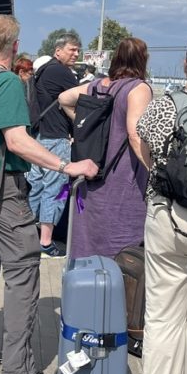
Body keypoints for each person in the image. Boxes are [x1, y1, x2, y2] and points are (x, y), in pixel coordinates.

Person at [0, 14, 98, 374]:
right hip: (3, 191)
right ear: (15, 46)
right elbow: (17, 141)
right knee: (23, 270)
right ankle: (18, 368)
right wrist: (66, 166)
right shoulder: (6, 83)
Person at [134, 35, 187, 374]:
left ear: (185, 67)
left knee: (161, 315)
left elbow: (144, 147)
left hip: (169, 218)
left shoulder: (165, 105)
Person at [57, 38, 152, 258]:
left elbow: (63, 98)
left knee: (88, 236)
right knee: (122, 243)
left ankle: (86, 276)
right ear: (142, 60)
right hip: (123, 178)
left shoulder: (97, 86)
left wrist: (83, 126)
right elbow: (134, 135)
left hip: (93, 171)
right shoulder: (138, 88)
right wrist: (154, 169)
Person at [27, 34, 80, 257]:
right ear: (58, 51)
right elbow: (82, 99)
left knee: (37, 186)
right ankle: (46, 242)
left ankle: (27, 236)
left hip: (39, 136)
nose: (76, 54)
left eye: (77, 50)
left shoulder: (43, 71)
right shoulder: (61, 72)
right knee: (56, 189)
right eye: (72, 49)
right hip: (56, 137)